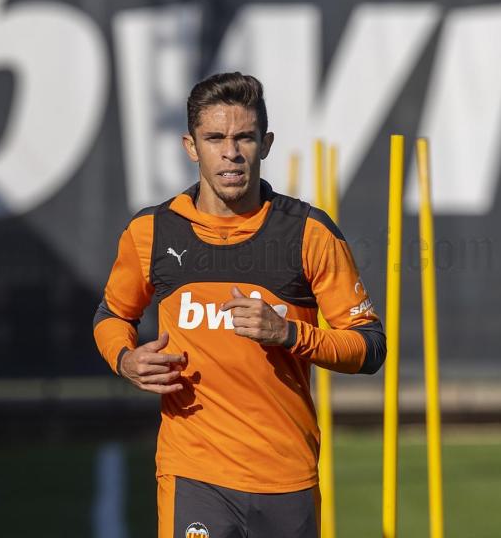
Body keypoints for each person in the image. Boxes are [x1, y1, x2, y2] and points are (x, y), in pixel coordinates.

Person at [93, 72, 386, 538]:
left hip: (286, 475)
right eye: (215, 138)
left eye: (244, 137)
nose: (230, 152)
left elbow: (370, 348)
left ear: (265, 143)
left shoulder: (309, 232)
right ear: (191, 146)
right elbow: (113, 316)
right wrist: (125, 359)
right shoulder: (151, 232)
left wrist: (289, 333)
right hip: (193, 472)